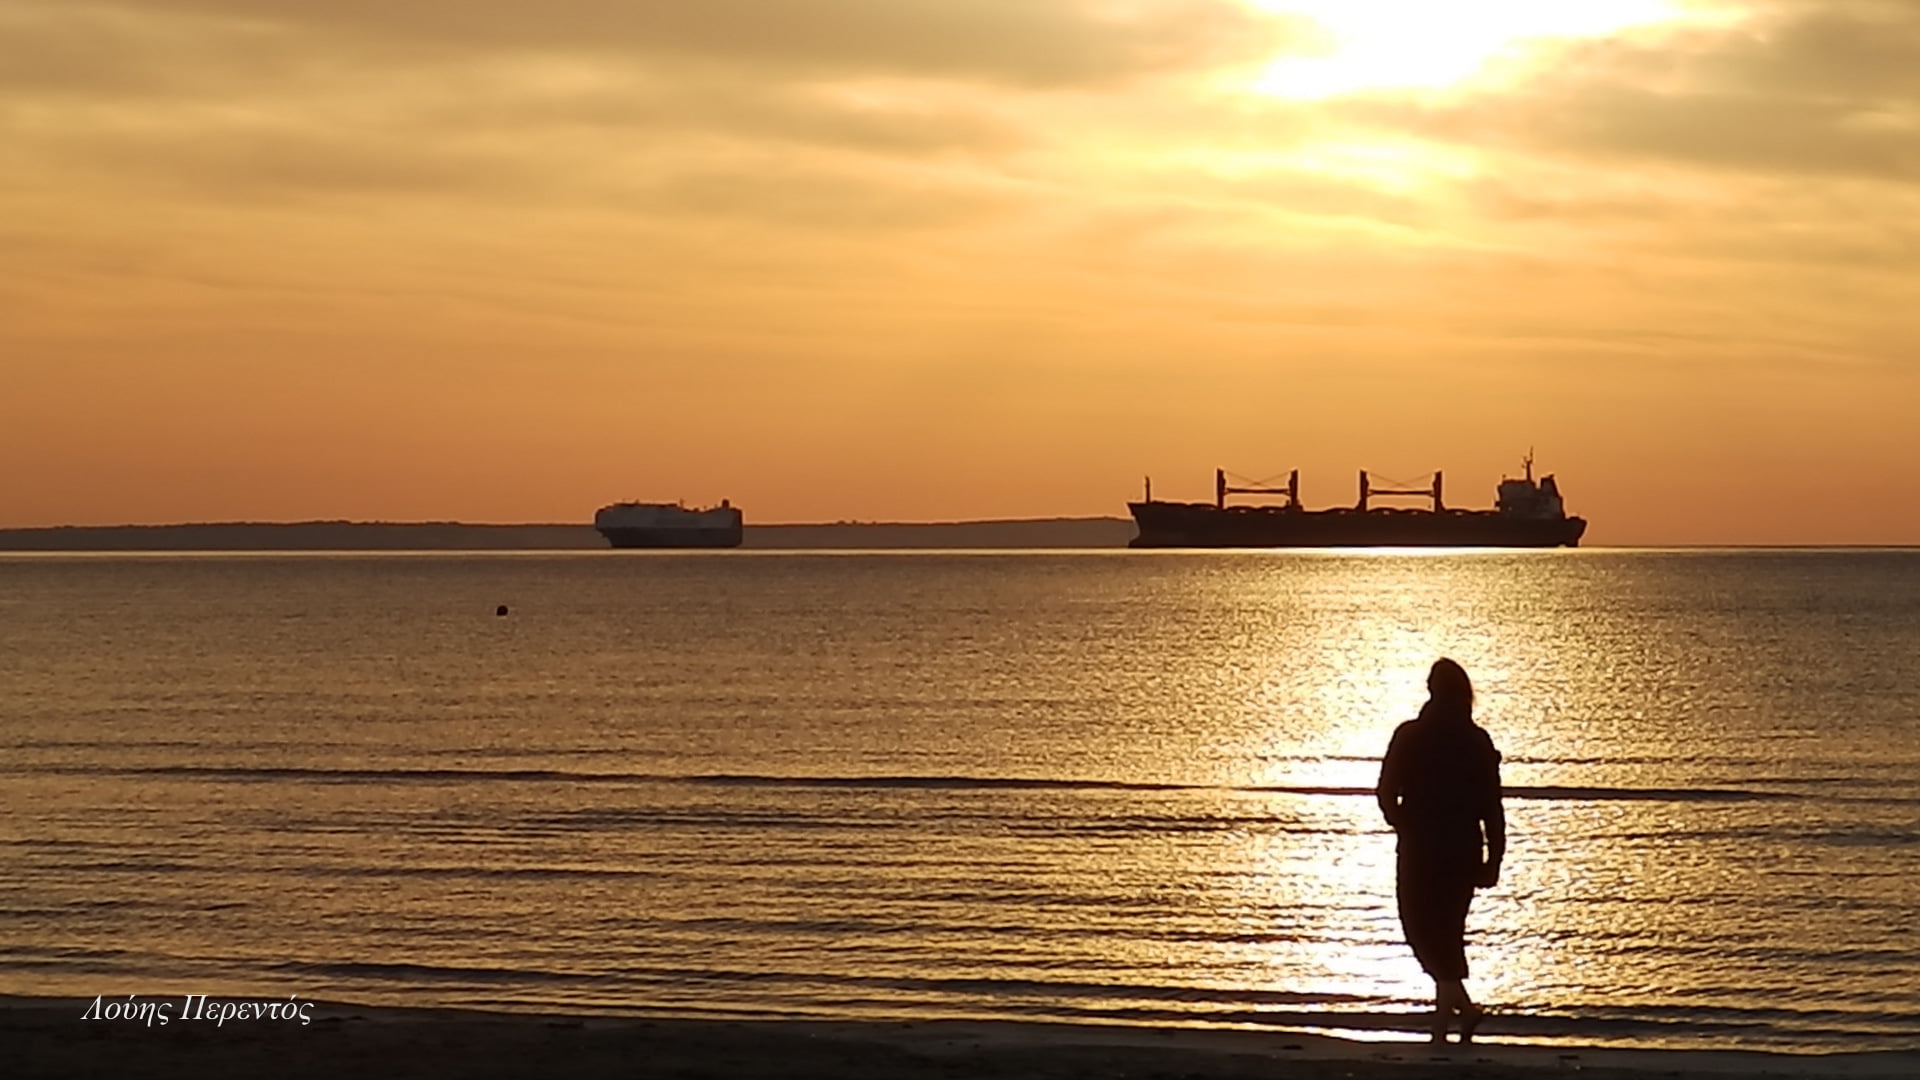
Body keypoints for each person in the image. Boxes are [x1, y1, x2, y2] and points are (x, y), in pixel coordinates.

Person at [1376, 658, 1506, 1044]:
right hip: (1457, 848)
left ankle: (1441, 1030)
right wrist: (1493, 856)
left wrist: (1404, 822)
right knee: (1440, 934)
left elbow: (1386, 792)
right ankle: (1464, 1012)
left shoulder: (1415, 735)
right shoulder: (1470, 739)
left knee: (1429, 932)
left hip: (1425, 850)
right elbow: (1492, 808)